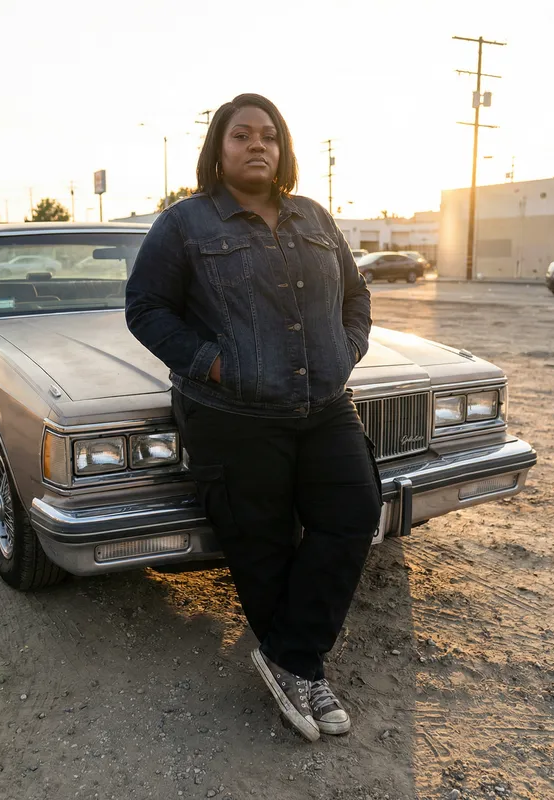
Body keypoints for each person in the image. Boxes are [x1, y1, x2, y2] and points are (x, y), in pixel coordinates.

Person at [125, 93, 381, 742]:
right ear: (219, 150)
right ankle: (304, 670)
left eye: (269, 135)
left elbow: (355, 294)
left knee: (352, 513)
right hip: (231, 413)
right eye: (242, 136)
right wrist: (215, 365)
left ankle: (289, 656)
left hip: (323, 406)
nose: (257, 145)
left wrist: (347, 348)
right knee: (261, 543)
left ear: (283, 148)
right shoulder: (185, 224)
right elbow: (147, 308)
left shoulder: (314, 217)